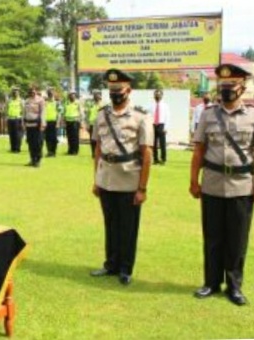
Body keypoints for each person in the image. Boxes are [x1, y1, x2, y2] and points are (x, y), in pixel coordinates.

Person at [190, 64, 254, 306]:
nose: (226, 91)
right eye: (222, 86)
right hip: (212, 184)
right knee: (212, 237)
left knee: (237, 239)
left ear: (242, 88)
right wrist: (194, 180)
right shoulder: (207, 114)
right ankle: (211, 283)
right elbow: (199, 150)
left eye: (231, 86)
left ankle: (234, 287)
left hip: (242, 186)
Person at [90, 69, 153, 285]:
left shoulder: (140, 116)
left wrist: (142, 188)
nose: (115, 93)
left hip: (129, 178)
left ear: (129, 90)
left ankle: (126, 268)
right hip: (106, 176)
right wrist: (96, 179)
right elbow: (98, 149)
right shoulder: (101, 114)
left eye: (119, 90)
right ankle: (111, 264)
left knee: (128, 226)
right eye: (112, 90)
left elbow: (146, 154)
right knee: (111, 224)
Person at [23, 86, 45, 167]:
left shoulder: (40, 100)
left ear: (36, 91)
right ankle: (32, 159)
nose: (32, 92)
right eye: (30, 91)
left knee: (38, 143)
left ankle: (38, 160)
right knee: (30, 143)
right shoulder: (26, 101)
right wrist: (23, 123)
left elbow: (42, 112)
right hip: (29, 125)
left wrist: (42, 124)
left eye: (33, 91)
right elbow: (24, 113)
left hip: (37, 125)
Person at [149, 89, 170, 165]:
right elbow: (149, 116)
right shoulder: (151, 105)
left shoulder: (165, 105)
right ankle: (155, 159)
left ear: (161, 95)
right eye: (156, 94)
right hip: (153, 125)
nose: (157, 95)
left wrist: (166, 127)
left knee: (162, 144)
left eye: (159, 94)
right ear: (154, 96)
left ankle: (163, 159)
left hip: (161, 125)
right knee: (153, 144)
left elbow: (167, 117)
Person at [63, 91, 83, 155]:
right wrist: (63, 121)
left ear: (75, 96)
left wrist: (81, 121)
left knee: (75, 137)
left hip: (75, 121)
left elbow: (81, 112)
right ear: (68, 96)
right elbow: (64, 112)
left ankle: (75, 151)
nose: (72, 96)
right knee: (69, 136)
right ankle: (70, 150)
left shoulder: (78, 103)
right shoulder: (66, 103)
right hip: (68, 121)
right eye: (70, 95)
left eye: (73, 95)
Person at [6, 87, 24, 153]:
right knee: (11, 134)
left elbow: (23, 111)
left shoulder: (21, 101)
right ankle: (12, 148)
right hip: (10, 119)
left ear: (18, 93)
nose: (15, 93)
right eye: (14, 91)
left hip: (17, 119)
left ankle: (17, 148)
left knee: (17, 135)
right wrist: (7, 117)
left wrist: (22, 120)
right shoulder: (9, 100)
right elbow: (6, 109)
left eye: (16, 91)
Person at [87, 90, 104, 157]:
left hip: (100, 124)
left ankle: (100, 153)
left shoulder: (103, 104)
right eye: (94, 95)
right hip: (92, 124)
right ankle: (93, 153)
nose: (94, 96)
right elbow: (88, 114)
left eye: (96, 95)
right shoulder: (91, 104)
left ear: (100, 96)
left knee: (101, 139)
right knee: (92, 140)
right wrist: (87, 124)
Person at [44, 88, 61, 157]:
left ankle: (53, 152)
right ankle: (49, 151)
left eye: (51, 93)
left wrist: (58, 122)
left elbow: (59, 113)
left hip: (54, 122)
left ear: (53, 93)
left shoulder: (57, 102)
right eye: (49, 93)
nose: (50, 94)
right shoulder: (45, 102)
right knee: (47, 138)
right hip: (46, 122)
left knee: (54, 138)